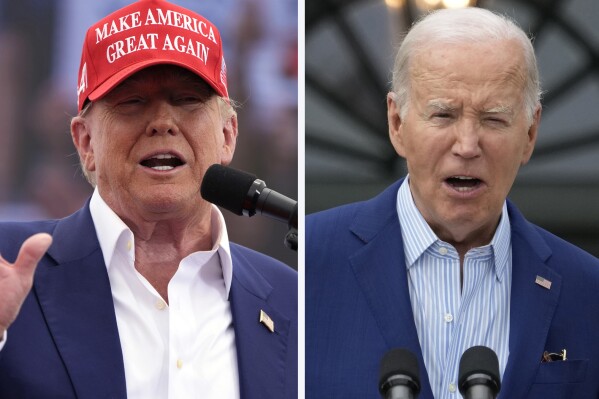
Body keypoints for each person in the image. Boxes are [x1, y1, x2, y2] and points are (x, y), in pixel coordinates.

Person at [0, 1, 297, 398]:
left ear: (228, 135)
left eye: (188, 100)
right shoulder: (10, 265)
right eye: (132, 102)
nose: (162, 123)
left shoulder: (290, 299)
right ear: (85, 141)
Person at [306, 7, 599, 399]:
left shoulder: (588, 291)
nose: (467, 145)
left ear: (530, 133)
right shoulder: (311, 261)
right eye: (443, 115)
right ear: (397, 124)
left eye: (494, 119)